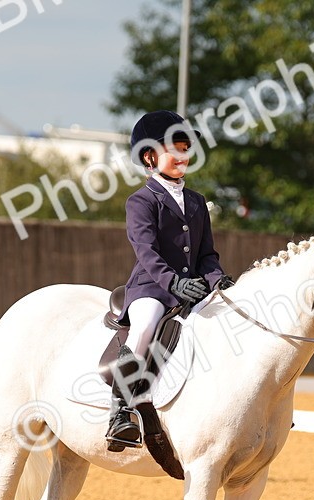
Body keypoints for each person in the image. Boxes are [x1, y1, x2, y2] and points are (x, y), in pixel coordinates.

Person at [107, 110, 235, 451]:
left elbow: (207, 253)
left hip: (193, 287)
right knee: (146, 324)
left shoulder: (196, 202)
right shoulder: (141, 201)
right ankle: (120, 410)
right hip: (151, 286)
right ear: (150, 156)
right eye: (174, 148)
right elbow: (146, 252)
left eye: (185, 147)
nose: (183, 155)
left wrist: (218, 279)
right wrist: (172, 283)